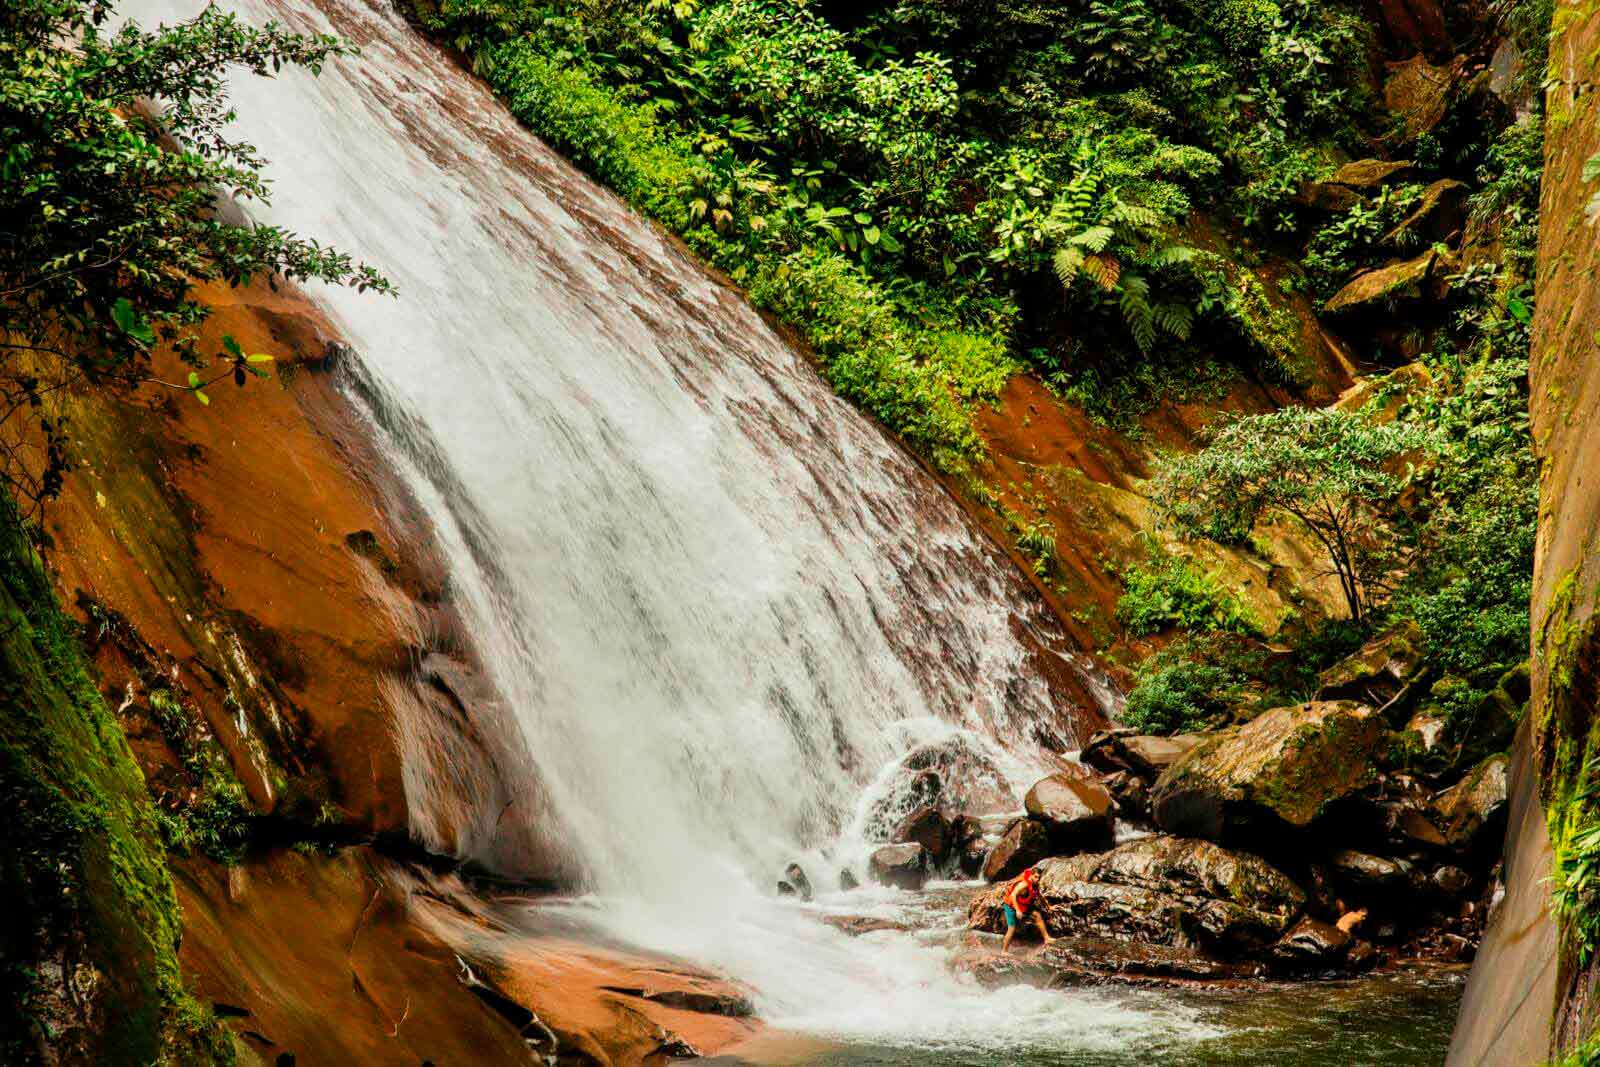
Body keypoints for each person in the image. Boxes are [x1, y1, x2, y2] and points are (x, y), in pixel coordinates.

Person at [1000, 866, 1055, 953]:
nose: (1037, 879)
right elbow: (1013, 895)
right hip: (1010, 906)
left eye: (1039, 878)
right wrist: (1017, 910)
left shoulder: (1035, 884)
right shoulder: (1024, 884)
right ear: (1031, 875)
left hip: (1022, 905)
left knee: (1037, 915)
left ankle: (1047, 938)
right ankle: (1004, 951)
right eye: (1036, 877)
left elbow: (1039, 896)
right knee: (1012, 928)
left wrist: (1049, 907)